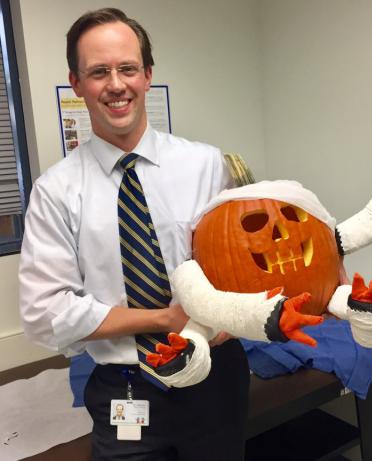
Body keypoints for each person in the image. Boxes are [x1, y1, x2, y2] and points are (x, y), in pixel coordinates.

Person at [19, 8, 249, 461]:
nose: (116, 84)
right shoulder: (55, 191)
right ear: (76, 83)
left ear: (147, 75)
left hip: (215, 378)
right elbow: (43, 311)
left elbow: (241, 260)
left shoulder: (207, 165)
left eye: (127, 68)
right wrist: (162, 320)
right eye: (98, 72)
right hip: (125, 387)